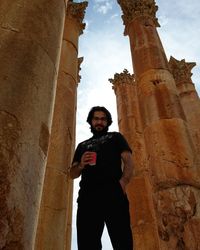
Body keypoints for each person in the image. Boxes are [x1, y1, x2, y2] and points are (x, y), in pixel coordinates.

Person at [70, 106, 134, 250]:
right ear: (91, 121)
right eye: (96, 119)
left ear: (108, 122)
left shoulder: (116, 137)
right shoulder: (82, 146)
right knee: (87, 244)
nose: (99, 122)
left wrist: (123, 182)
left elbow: (129, 161)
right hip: (87, 197)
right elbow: (72, 174)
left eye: (103, 119)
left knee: (122, 241)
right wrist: (80, 164)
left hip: (114, 194)